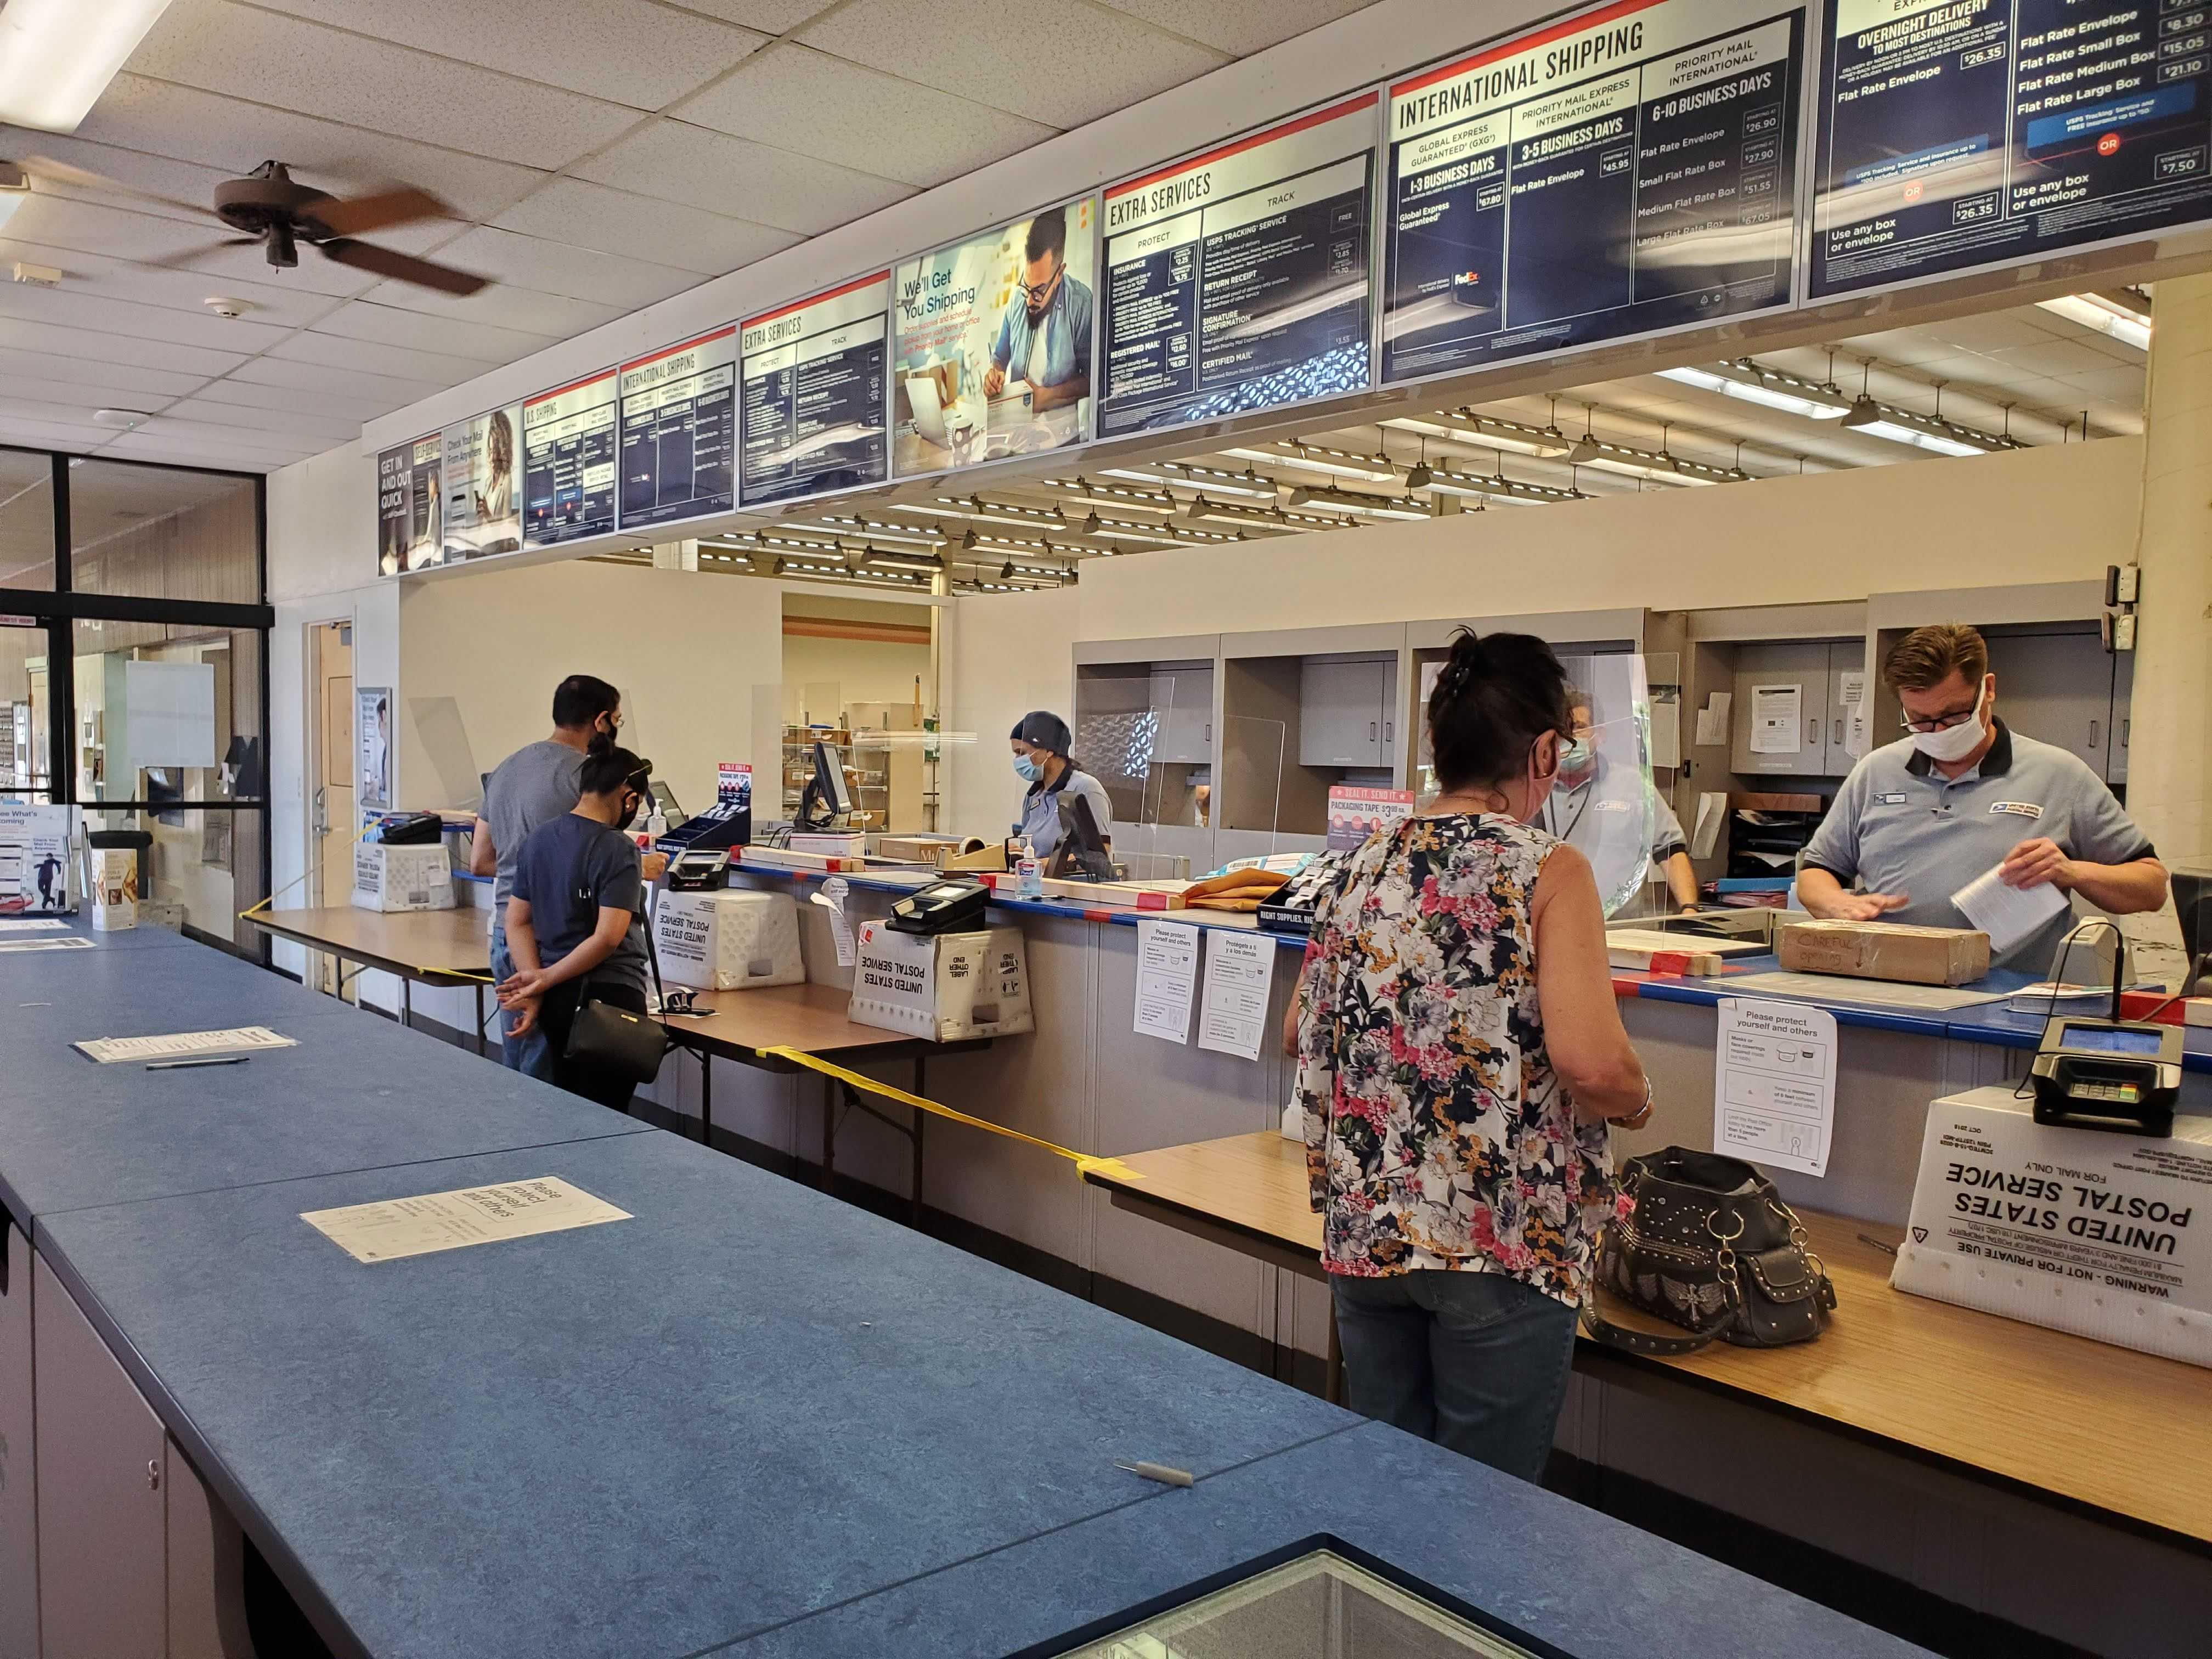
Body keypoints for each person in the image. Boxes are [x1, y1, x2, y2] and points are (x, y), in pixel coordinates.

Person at [1289, 631, 1652, 1481]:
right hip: (1498, 1239)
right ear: (1544, 752)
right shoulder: (1549, 870)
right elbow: (1593, 1066)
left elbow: (1297, 1029)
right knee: (1481, 1508)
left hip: (1366, 1232)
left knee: (1389, 1484)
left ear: (1437, 744)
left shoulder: (1358, 864)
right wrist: (1638, 1102)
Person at [1799, 624, 2165, 974]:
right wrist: (1836, 903)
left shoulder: (2060, 775)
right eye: (1921, 720)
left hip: (2009, 996)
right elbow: (1817, 871)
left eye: (1954, 715)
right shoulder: (1875, 772)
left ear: (1987, 690)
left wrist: (2072, 872)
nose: (1939, 731)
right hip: (1890, 982)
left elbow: (2151, 886)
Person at [472, 676, 631, 1080]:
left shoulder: (507, 768)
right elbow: (588, 860)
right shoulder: (586, 777)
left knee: (518, 1063)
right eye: (617, 720)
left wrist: (528, 877)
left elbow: (481, 860)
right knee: (553, 1078)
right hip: (554, 945)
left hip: (506, 934)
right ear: (601, 721)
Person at [496, 742, 656, 1113]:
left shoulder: (538, 839)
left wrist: (536, 980)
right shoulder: (618, 848)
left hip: (558, 1000)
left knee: (570, 1109)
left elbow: (517, 921)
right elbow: (608, 938)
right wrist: (542, 979)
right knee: (608, 1115)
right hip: (610, 999)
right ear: (629, 798)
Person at [1538, 688, 1698, 912]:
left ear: (1600, 735)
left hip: (1619, 925)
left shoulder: (1633, 786)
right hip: (1552, 922)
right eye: (1561, 729)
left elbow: (1670, 850)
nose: (1569, 737)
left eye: (1578, 727)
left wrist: (1689, 908)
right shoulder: (1534, 789)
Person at [982, 207, 1093, 415]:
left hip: (1061, 429)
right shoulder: (1017, 300)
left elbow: (1092, 378)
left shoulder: (1082, 304)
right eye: (1026, 285)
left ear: (1059, 274)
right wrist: (994, 375)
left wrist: (1047, 397)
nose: (1029, 300)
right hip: (1016, 424)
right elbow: (1000, 358)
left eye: (1039, 291)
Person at [1009, 711, 1113, 862]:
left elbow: (1100, 852)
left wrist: (1048, 864)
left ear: (1048, 750)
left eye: (1022, 753)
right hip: (1038, 877)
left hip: (1071, 878)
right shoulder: (1034, 796)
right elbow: (1036, 849)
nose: (1018, 760)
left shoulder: (1086, 788)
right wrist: (1020, 854)